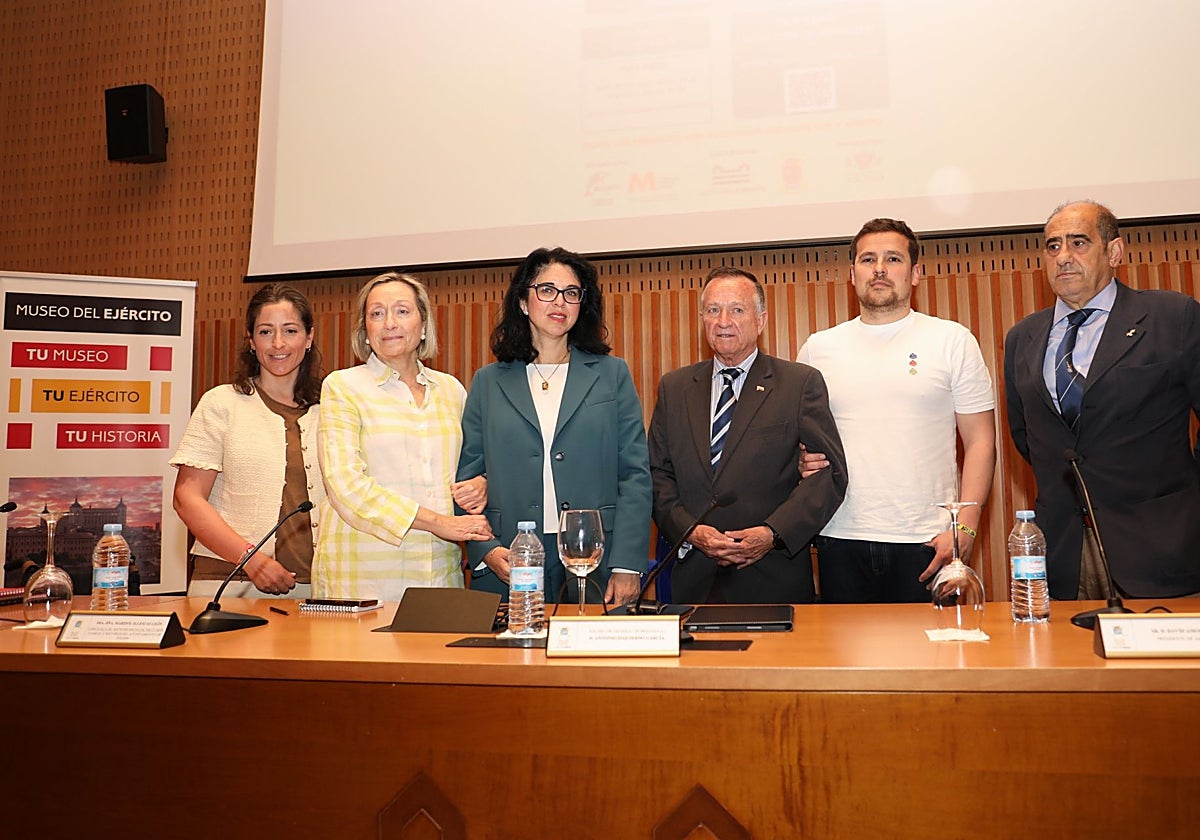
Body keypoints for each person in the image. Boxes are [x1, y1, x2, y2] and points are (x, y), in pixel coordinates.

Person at [1004, 200, 1200, 600]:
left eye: (1078, 243)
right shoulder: (1022, 337)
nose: (1064, 257)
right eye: (1053, 246)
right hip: (1062, 551)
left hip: (1160, 545)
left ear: (1114, 252)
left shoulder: (1172, 317)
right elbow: (1029, 437)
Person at [796, 218, 996, 603]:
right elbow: (799, 444)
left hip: (929, 540)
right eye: (868, 259)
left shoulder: (952, 340)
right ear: (852, 274)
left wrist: (966, 526)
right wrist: (802, 462)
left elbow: (981, 441)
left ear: (915, 273)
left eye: (893, 259)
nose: (880, 269)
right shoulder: (818, 348)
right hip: (840, 536)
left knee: (934, 661)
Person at [456, 247, 652, 606]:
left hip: (596, 555)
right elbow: (468, 480)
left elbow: (635, 475)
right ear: (523, 301)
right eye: (546, 290)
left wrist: (627, 564)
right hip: (511, 552)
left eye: (571, 293)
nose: (559, 302)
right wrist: (484, 548)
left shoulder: (612, 375)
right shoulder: (488, 382)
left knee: (590, 660)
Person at [649, 267, 847, 604]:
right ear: (702, 319)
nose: (723, 320)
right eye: (713, 310)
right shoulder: (675, 387)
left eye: (737, 310)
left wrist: (772, 534)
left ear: (761, 320)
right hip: (694, 580)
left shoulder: (799, 384)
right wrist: (691, 531)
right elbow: (657, 474)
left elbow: (828, 475)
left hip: (773, 576)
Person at [315, 272, 491, 600]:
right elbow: (346, 487)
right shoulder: (343, 387)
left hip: (439, 573)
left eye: (402, 311)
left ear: (423, 325)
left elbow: (471, 465)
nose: (389, 323)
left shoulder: (451, 390)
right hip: (362, 578)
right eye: (377, 314)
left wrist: (481, 482)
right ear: (365, 331)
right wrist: (438, 522)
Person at [170, 283, 325, 598]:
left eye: (290, 331)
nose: (278, 343)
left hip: (318, 591)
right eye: (266, 332)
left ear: (309, 337)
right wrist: (250, 559)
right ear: (251, 341)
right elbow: (187, 498)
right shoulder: (222, 403)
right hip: (230, 585)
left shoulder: (335, 409)